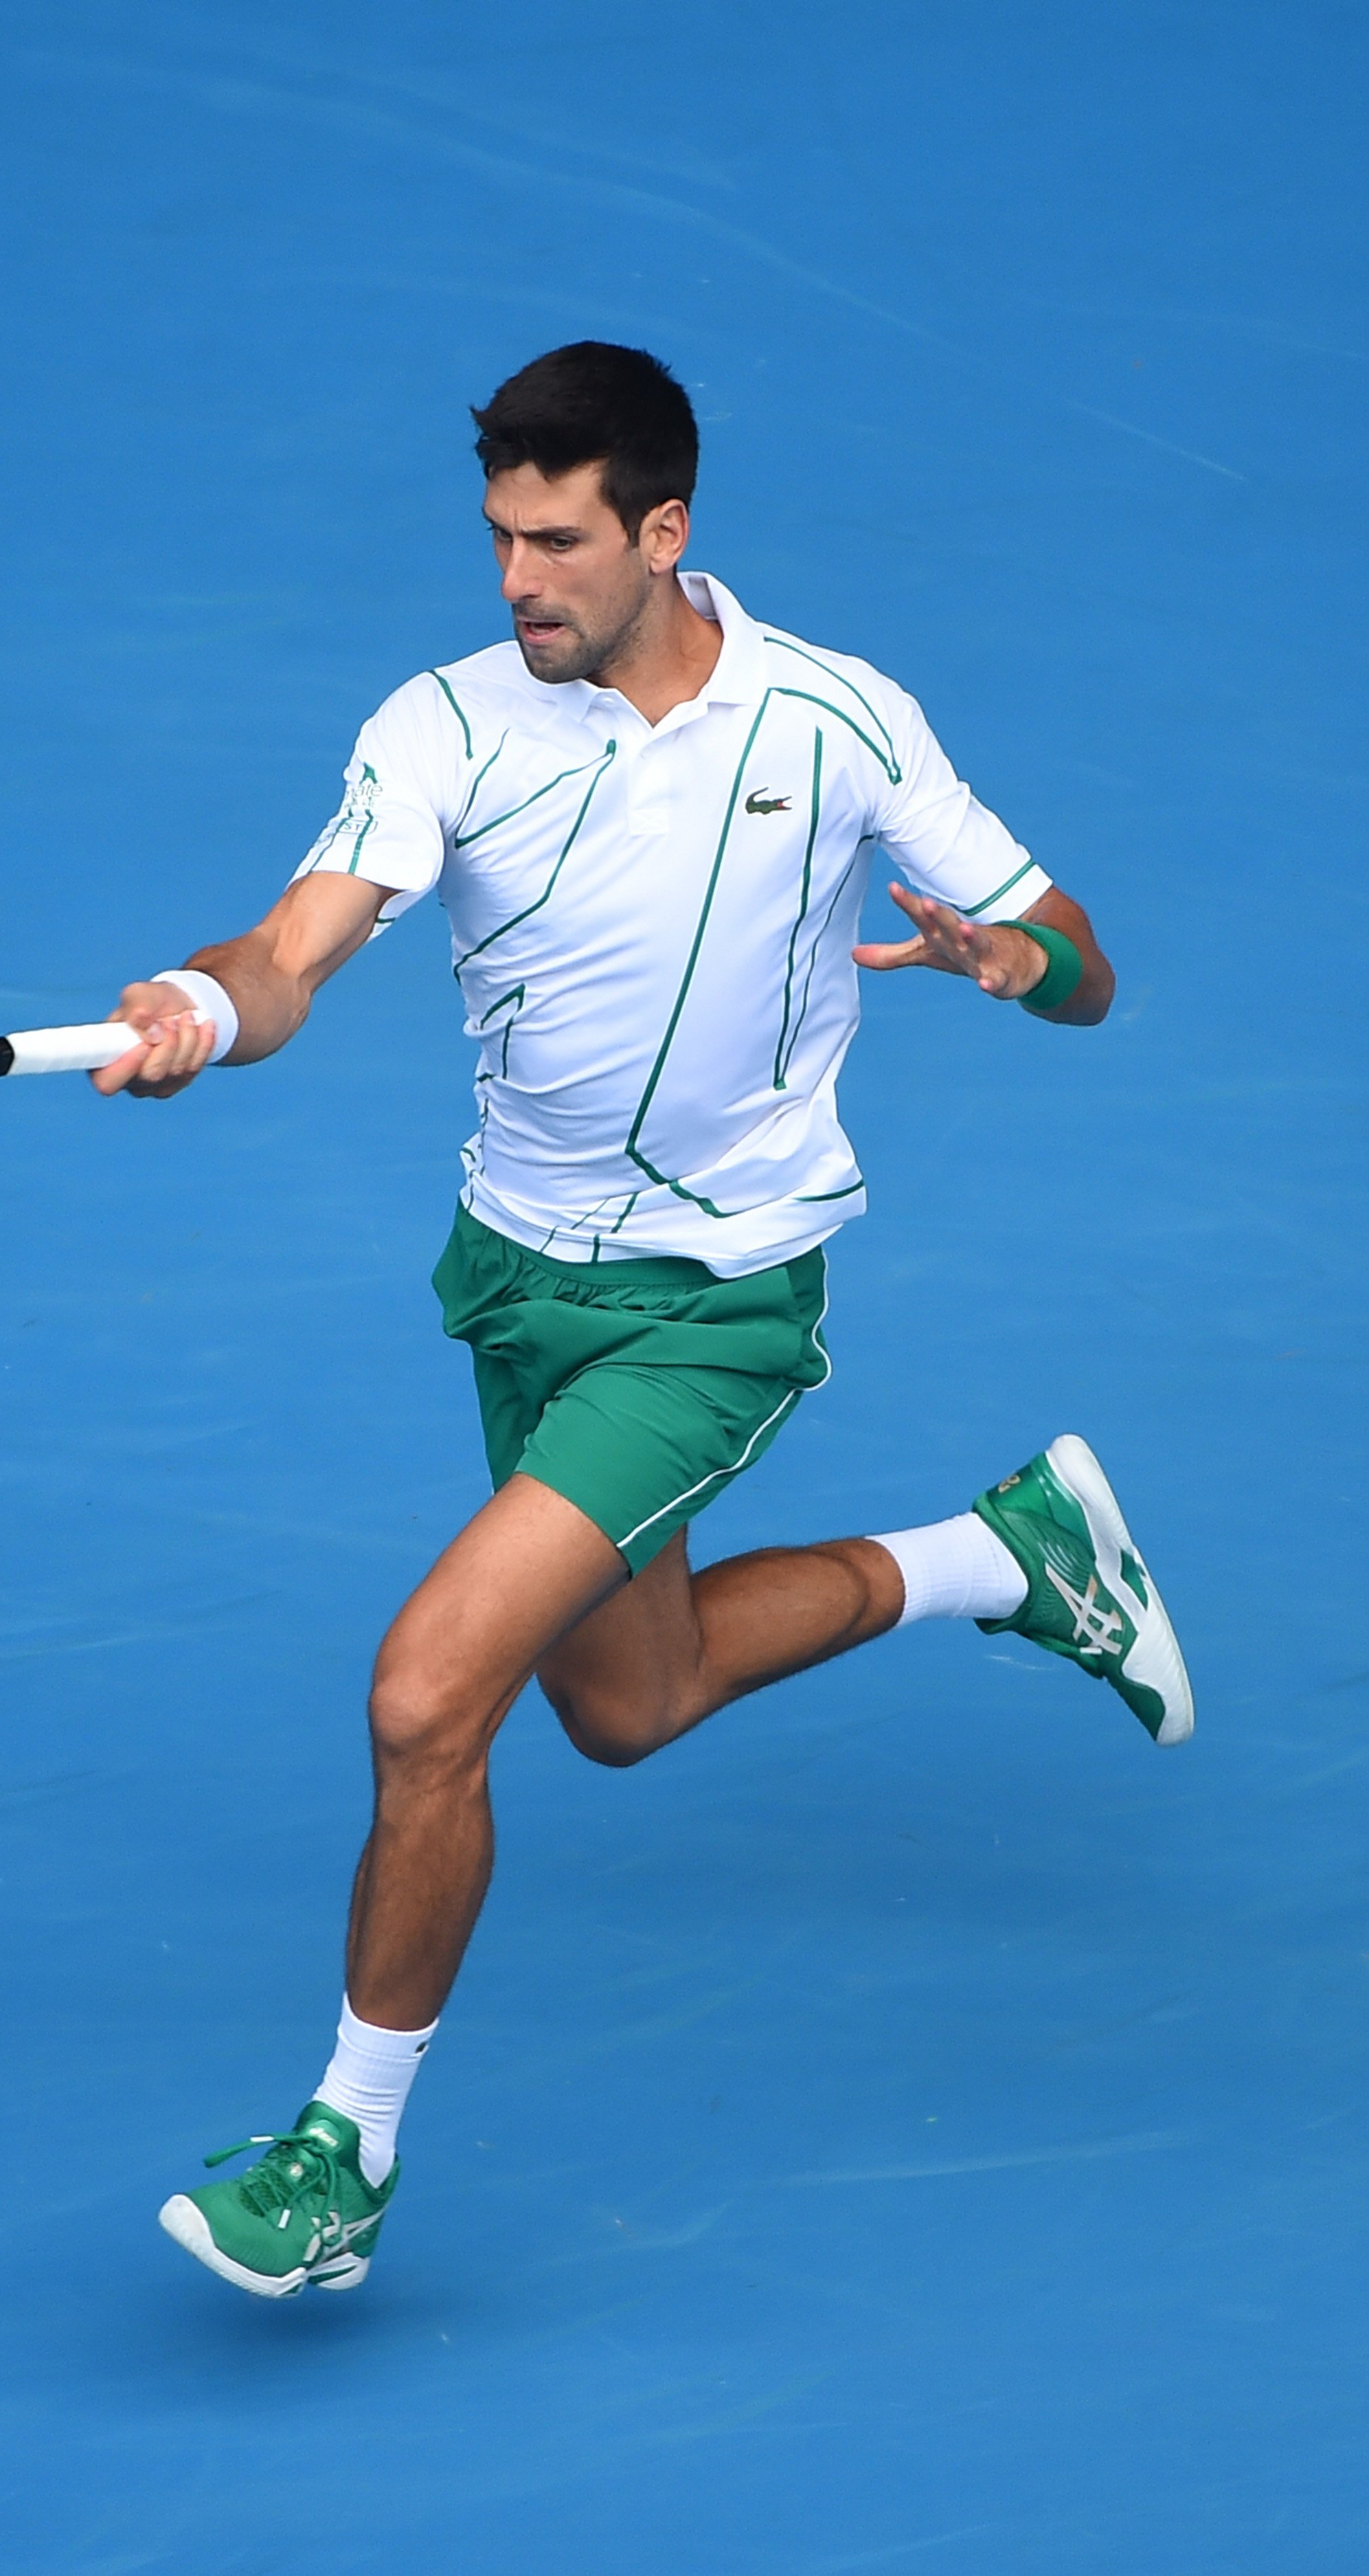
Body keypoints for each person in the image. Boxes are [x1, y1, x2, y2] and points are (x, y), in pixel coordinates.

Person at [93, 341, 1192, 2301]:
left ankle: (341, 2158)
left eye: (558, 543)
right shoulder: (445, 725)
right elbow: (288, 950)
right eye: (498, 538)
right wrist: (201, 1004)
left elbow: (1085, 963)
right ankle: (1006, 1556)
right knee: (629, 1705)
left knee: (429, 1695)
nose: (517, 579)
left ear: (662, 531)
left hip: (715, 1301)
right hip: (520, 1282)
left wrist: (1007, 961)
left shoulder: (837, 718)